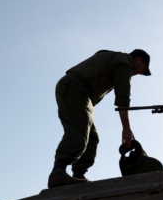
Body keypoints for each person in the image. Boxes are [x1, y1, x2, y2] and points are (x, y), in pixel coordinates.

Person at [48, 49, 151, 188]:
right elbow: (123, 99)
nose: (139, 73)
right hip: (76, 88)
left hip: (75, 90)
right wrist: (126, 129)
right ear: (138, 60)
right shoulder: (124, 64)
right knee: (79, 132)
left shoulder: (112, 57)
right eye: (142, 69)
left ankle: (78, 174)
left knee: (91, 137)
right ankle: (58, 172)